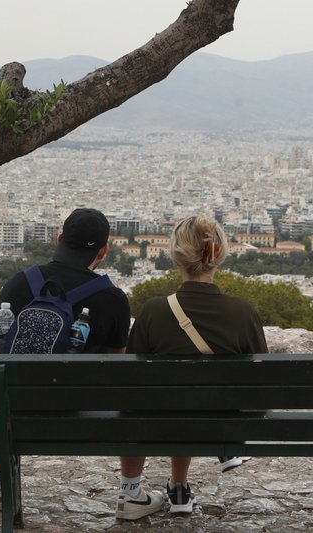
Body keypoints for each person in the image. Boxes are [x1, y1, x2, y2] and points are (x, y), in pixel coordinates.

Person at [0, 208, 132, 512]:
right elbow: (114, 370)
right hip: (82, 417)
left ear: (59, 238)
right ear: (104, 251)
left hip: (16, 410)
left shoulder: (18, 283)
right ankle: (132, 489)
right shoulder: (113, 299)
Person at [118, 215, 268, 519]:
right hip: (220, 427)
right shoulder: (243, 312)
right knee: (195, 400)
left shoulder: (153, 311)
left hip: (161, 424)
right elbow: (261, 385)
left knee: (175, 399)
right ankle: (180, 485)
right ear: (219, 255)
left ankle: (177, 485)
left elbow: (129, 383)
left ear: (176, 256)